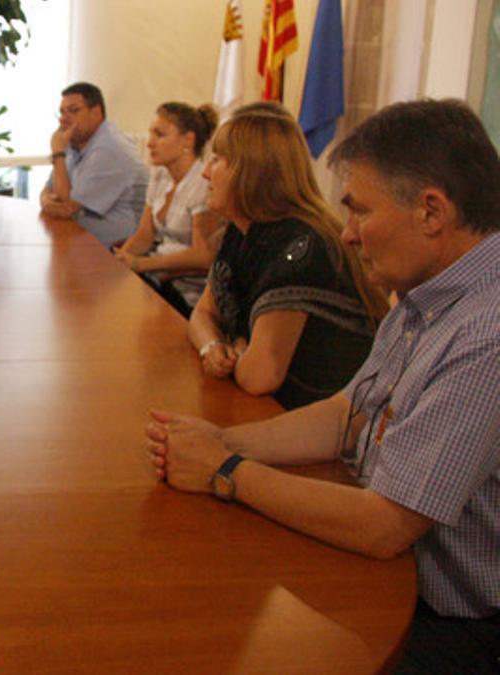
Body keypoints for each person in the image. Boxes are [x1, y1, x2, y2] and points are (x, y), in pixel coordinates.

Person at [147, 99, 500, 672]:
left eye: (359, 211)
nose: (348, 234)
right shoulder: (426, 294)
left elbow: (387, 525)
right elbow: (346, 414)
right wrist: (226, 439)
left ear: (431, 211)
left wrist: (225, 472)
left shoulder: (486, 333)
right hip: (392, 576)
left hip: (454, 622)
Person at [188, 111, 388, 409]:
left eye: (217, 159)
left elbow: (260, 378)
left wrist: (235, 348)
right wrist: (212, 346)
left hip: (329, 427)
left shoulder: (299, 247)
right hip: (281, 413)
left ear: (250, 171)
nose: (205, 172)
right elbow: (203, 313)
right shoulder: (241, 229)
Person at [113, 102, 222, 315]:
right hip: (155, 277)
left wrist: (140, 264)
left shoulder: (202, 183)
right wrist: (118, 262)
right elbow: (144, 235)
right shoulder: (160, 175)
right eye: (150, 134)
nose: (150, 143)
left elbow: (204, 255)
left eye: (159, 135)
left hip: (184, 291)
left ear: (188, 140)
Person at [40, 82, 149, 246]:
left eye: (74, 111)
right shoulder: (74, 143)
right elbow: (48, 189)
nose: (64, 119)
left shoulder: (109, 149)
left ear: (96, 112)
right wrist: (46, 201)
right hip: (82, 238)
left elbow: (66, 208)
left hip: (117, 250)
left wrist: (58, 154)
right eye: (62, 112)